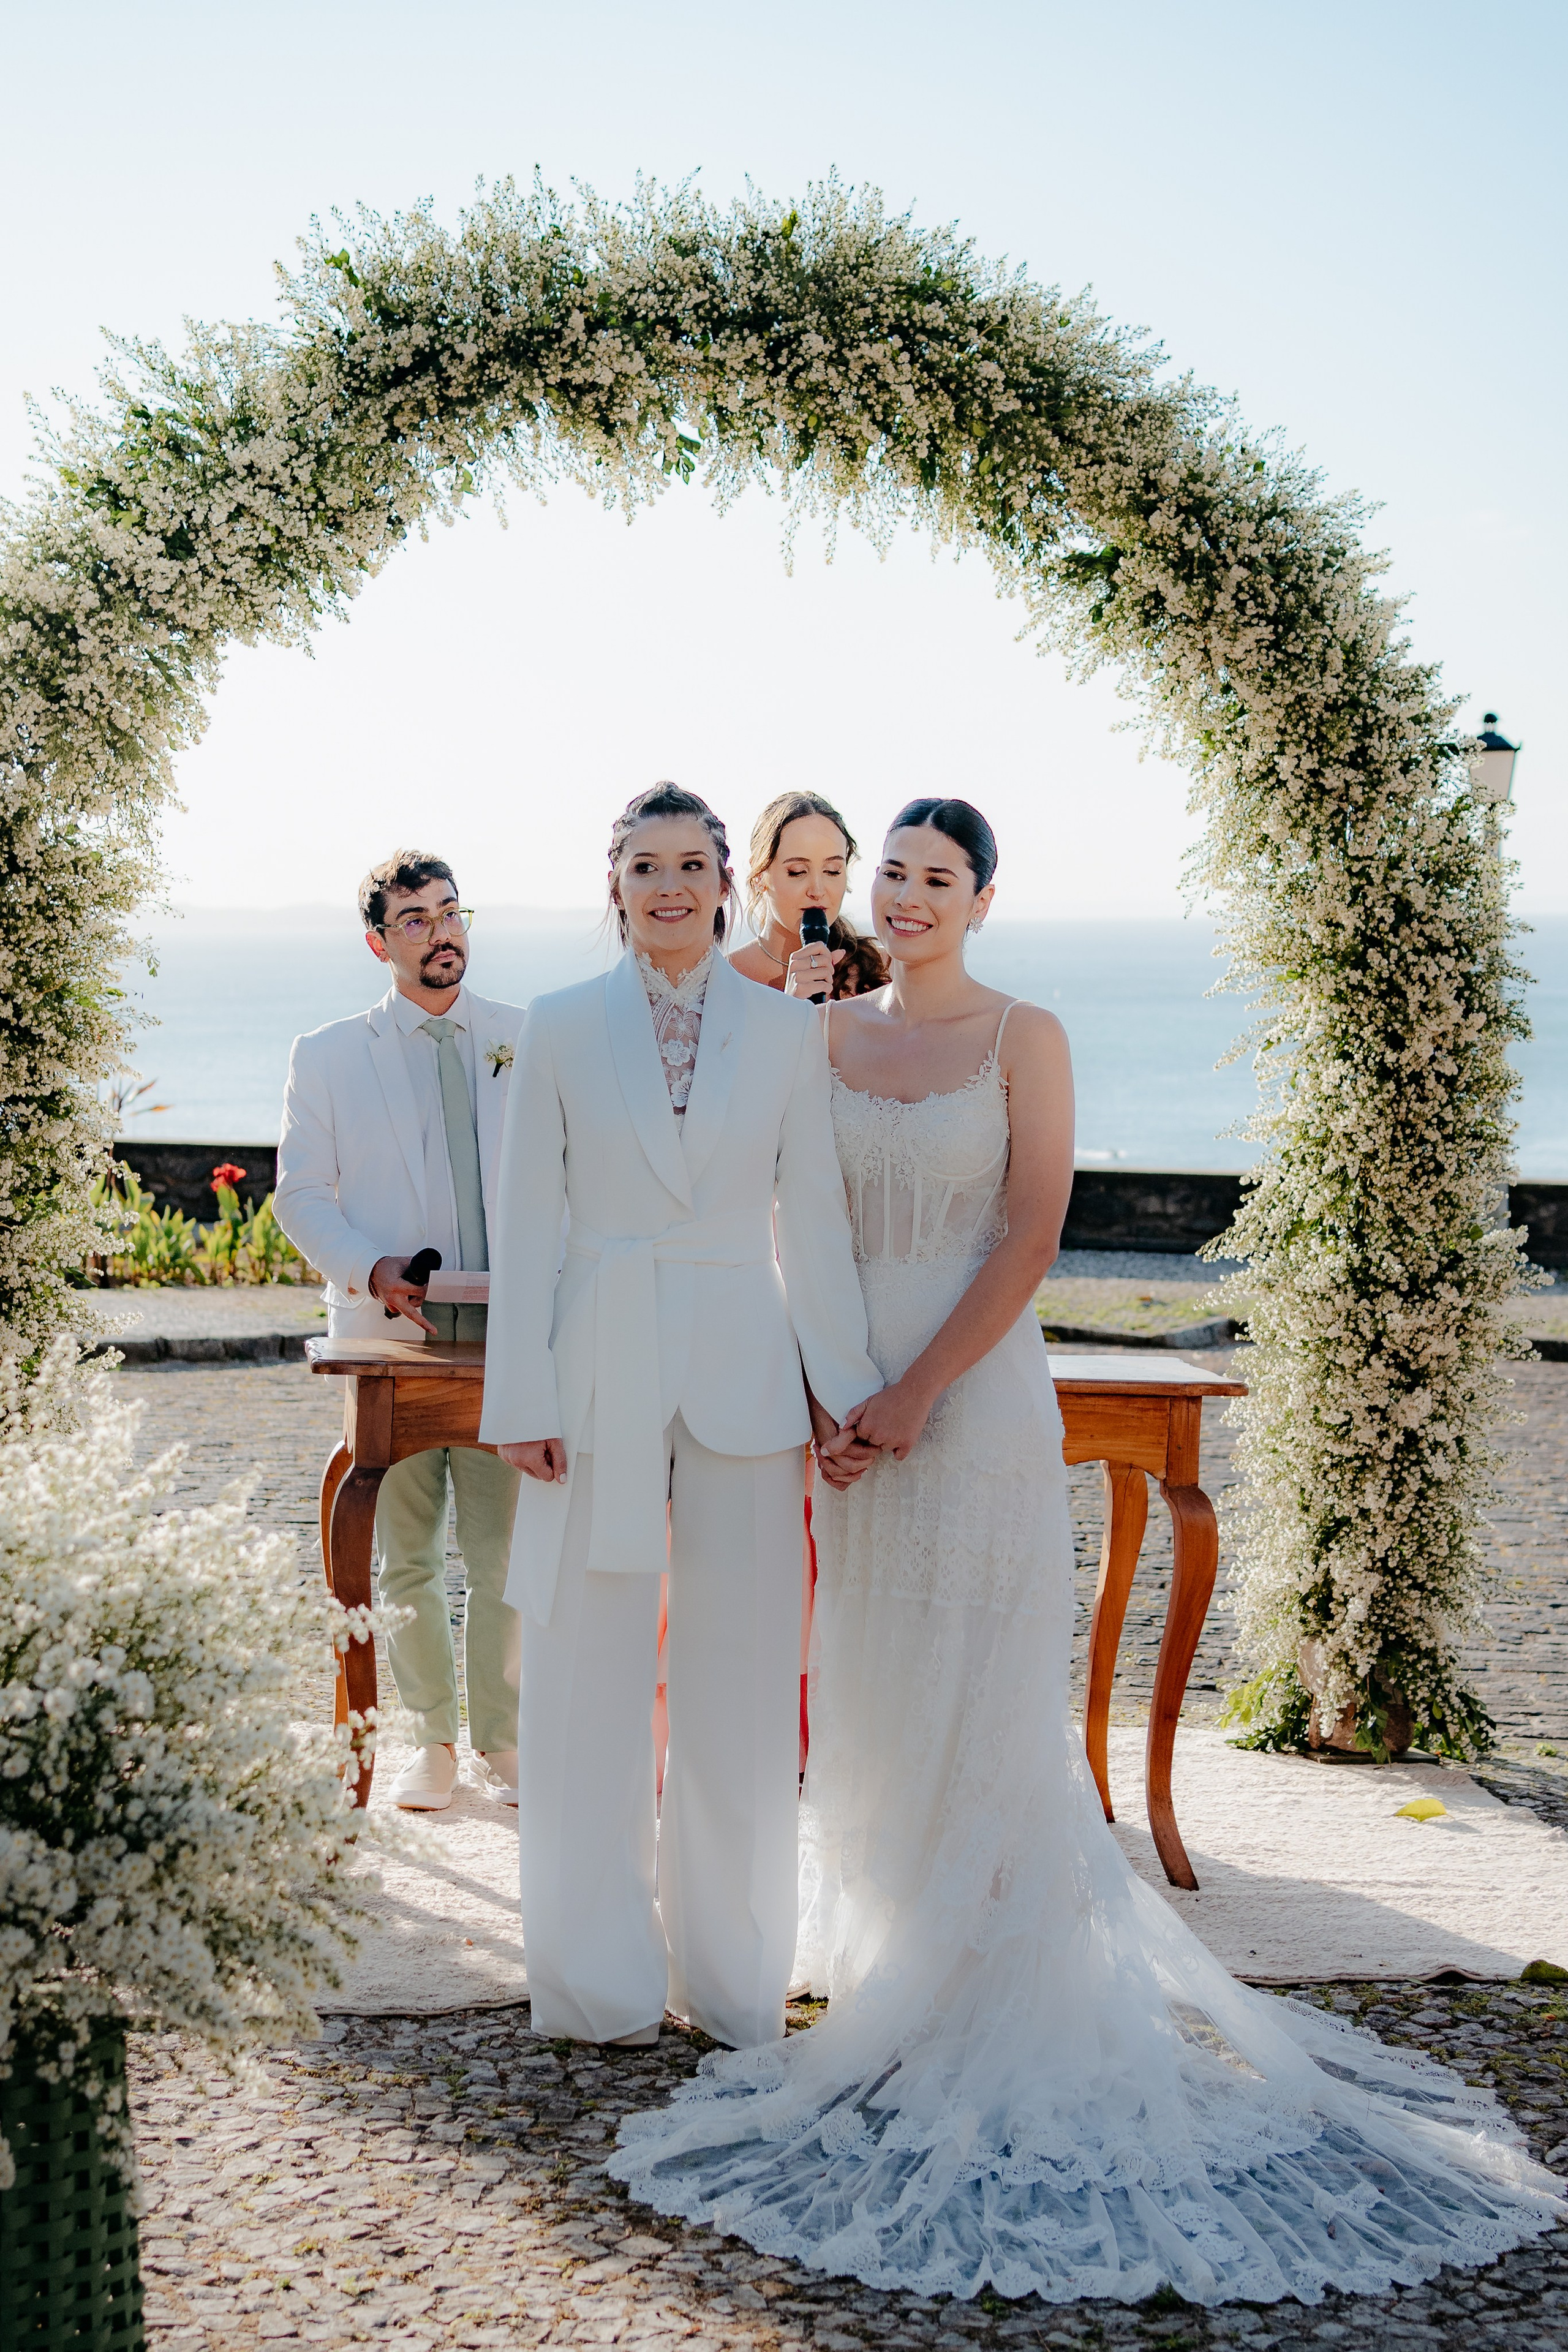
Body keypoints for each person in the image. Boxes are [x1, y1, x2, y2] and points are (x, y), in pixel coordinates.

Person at [609, 797, 1562, 2307]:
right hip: (846, 1398)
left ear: (981, 898)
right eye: (892, 874)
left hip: (971, 1401)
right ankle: (886, 1979)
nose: (906, 897)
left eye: (936, 878)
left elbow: (1032, 1232)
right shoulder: (820, 1036)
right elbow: (796, 1232)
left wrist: (914, 1394)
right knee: (874, 1689)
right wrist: (829, 1392)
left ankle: (987, 1988)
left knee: (979, 1687)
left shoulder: (1023, 1034)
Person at [477, 782, 882, 2051]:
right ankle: (594, 1983)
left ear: (724, 883)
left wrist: (844, 1388)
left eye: (689, 865)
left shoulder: (786, 1031)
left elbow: (813, 1222)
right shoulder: (556, 1025)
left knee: (745, 1683)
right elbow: (524, 1225)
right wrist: (519, 1396)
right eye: (643, 866)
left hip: (744, 1372)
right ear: (615, 885)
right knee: (583, 1672)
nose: (667, 887)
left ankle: (733, 1982)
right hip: (593, 1367)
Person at [275, 851, 526, 1813]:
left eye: (450, 912)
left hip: (508, 1338)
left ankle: (503, 1738)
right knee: (410, 1553)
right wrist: (371, 1268)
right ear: (380, 944)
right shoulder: (329, 1054)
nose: (440, 932)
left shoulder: (525, 1039)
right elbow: (300, 1194)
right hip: (390, 1341)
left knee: (504, 1553)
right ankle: (431, 1739)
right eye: (415, 919)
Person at [729, 789, 889, 1004]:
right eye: (797, 872)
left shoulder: (883, 970)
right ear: (759, 876)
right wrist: (791, 1009)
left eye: (832, 871)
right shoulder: (724, 978)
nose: (817, 890)